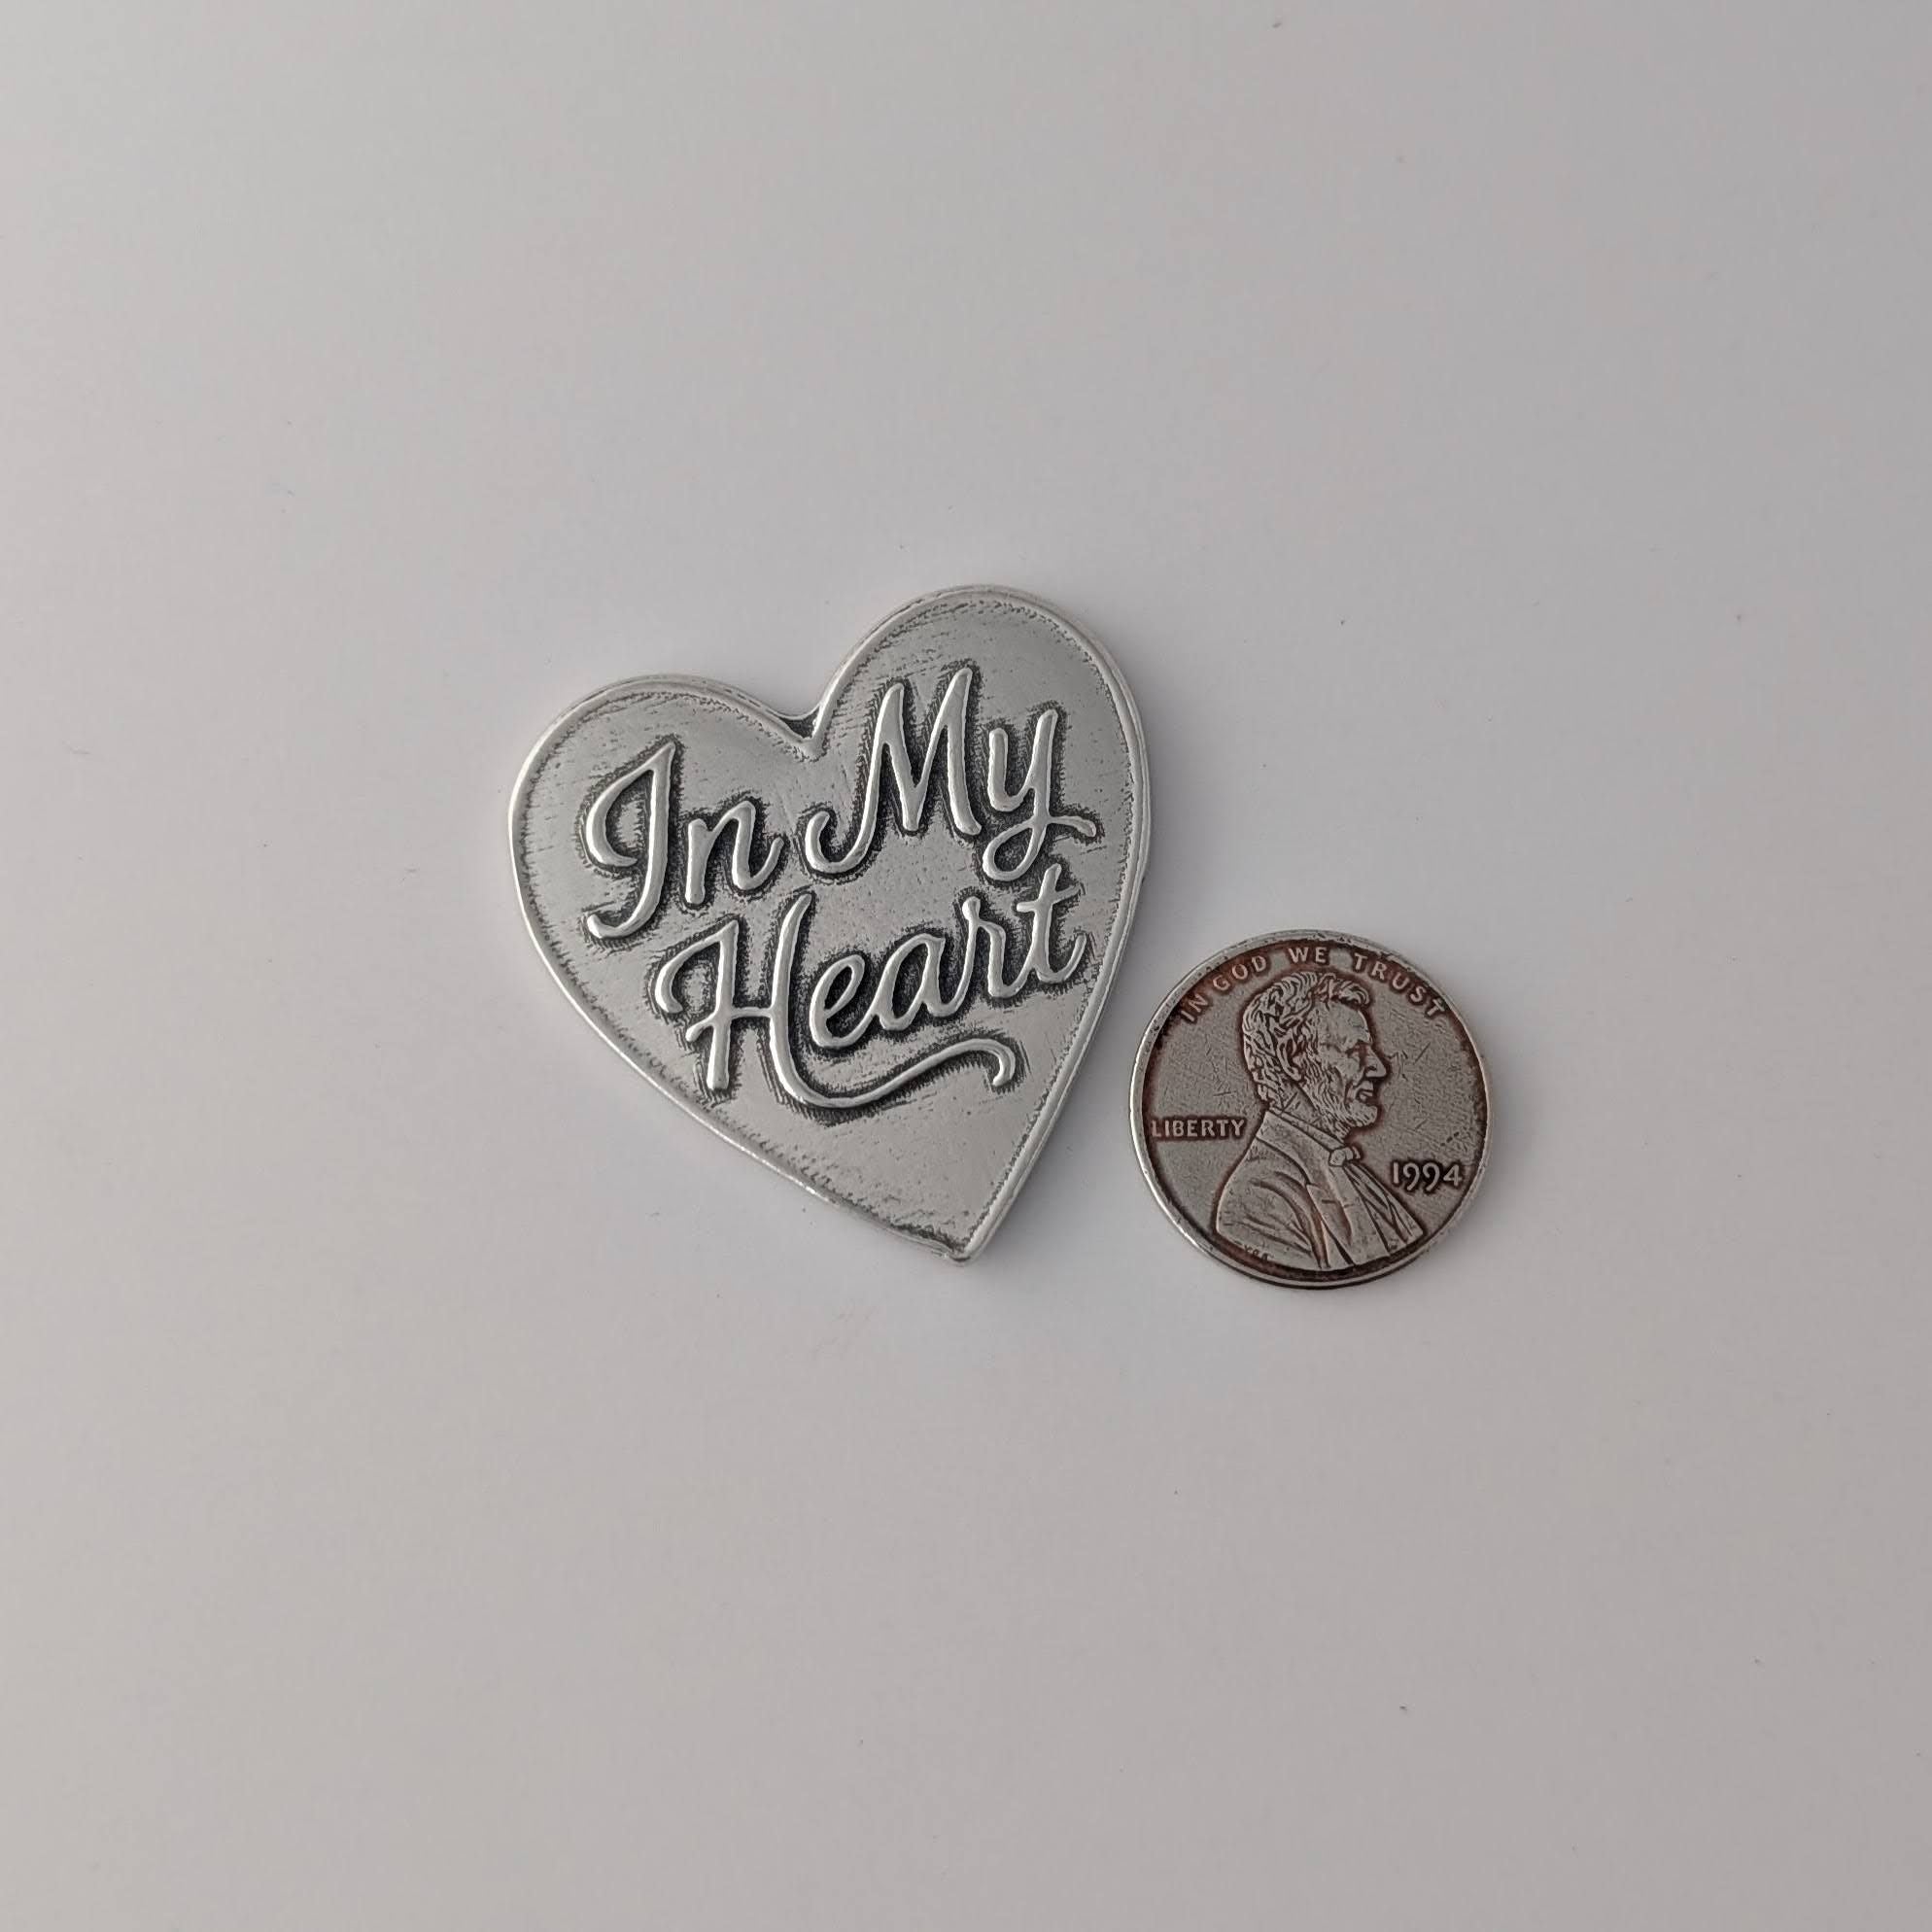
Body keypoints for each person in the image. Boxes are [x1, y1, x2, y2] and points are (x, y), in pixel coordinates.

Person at [1213, 971, 1424, 1273]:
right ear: (1292, 1058)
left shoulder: (1351, 1171)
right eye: (1354, 1050)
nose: (1378, 1068)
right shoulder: (1257, 1198)